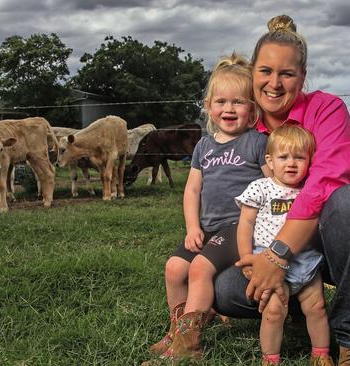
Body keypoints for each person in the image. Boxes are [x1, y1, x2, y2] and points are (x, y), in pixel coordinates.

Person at [213, 15, 350, 366]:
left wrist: (277, 255)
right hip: (277, 248)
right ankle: (303, 304)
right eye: (265, 71)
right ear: (253, 74)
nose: (274, 84)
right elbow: (227, 194)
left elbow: (328, 182)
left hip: (341, 238)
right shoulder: (248, 131)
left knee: (349, 200)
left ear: (303, 78)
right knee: (226, 291)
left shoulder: (327, 108)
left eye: (287, 74)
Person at [145, 53, 270, 362]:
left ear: (252, 110)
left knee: (199, 268)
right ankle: (176, 331)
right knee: (175, 269)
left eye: (239, 102)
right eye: (221, 102)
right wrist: (192, 227)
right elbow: (192, 189)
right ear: (208, 106)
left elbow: (273, 186)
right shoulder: (203, 146)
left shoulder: (256, 143)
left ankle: (189, 346)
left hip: (239, 227)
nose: (229, 109)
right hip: (209, 226)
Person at [236, 124, 333, 365]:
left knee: (318, 307)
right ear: (269, 160)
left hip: (306, 260)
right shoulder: (261, 187)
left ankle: (321, 354)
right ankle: (270, 359)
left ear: (310, 160)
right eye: (284, 157)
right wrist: (247, 257)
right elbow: (245, 225)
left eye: (299, 157)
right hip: (268, 261)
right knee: (273, 312)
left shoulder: (310, 188)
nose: (291, 163)